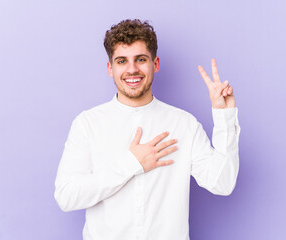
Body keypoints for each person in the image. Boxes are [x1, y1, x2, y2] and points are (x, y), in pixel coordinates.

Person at [54, 19, 241, 240]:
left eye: (141, 59)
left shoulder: (184, 124)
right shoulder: (87, 124)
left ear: (156, 64)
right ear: (110, 68)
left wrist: (224, 116)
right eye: (122, 61)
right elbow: (66, 196)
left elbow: (223, 183)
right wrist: (131, 163)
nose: (132, 69)